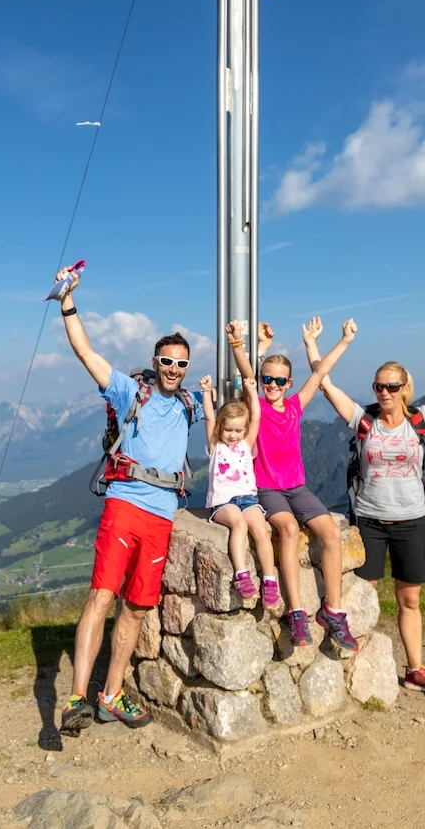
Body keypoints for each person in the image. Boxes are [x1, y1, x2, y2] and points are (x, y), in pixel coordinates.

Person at [305, 307, 425, 697]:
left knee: (409, 599)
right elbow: (323, 384)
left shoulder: (422, 420)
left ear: (405, 388)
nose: (384, 393)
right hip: (370, 522)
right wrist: (312, 345)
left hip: (412, 520)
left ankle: (415, 669)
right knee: (364, 597)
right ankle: (357, 668)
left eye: (392, 387)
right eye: (379, 386)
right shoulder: (364, 421)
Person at [53, 264, 205, 735]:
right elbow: (85, 351)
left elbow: (251, 400)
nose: (174, 369)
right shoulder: (127, 391)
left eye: (182, 363)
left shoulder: (190, 405)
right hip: (124, 505)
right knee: (101, 596)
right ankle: (78, 698)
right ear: (155, 362)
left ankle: (111, 695)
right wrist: (67, 302)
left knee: (137, 607)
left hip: (162, 516)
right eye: (167, 361)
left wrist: (249, 349)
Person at [231, 318, 360, 650]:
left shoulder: (294, 407)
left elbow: (319, 374)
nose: (271, 385)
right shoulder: (255, 406)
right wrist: (237, 345)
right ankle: (297, 611)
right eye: (266, 379)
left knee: (330, 532)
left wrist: (343, 341)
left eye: (278, 380)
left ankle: (333, 610)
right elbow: (246, 375)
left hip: (297, 488)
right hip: (267, 489)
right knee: (287, 529)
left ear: (289, 383)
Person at [198, 372, 278, 602]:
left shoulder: (246, 444)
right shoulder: (215, 445)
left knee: (261, 529)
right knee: (239, 524)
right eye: (228, 430)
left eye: (237, 430)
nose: (233, 435)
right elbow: (208, 418)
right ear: (220, 428)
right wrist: (206, 392)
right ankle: (242, 574)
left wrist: (252, 391)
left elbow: (255, 419)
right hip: (223, 502)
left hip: (248, 499)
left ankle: (269, 579)